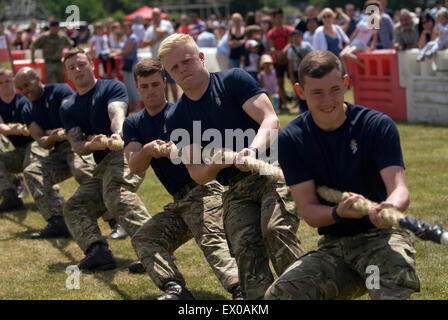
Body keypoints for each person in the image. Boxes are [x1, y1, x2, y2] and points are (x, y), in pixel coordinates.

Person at [264, 50, 421, 300]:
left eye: (335, 89)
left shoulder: (376, 126)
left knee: (389, 293)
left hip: (382, 239)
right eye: (317, 92)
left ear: (346, 83)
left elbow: (399, 188)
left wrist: (390, 207)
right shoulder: (292, 140)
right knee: (280, 295)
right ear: (300, 91)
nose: (328, 100)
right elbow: (309, 211)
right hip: (336, 248)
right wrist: (339, 213)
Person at [158, 33, 304, 300]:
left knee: (275, 230)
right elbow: (198, 174)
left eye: (187, 61)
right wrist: (216, 163)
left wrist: (252, 150)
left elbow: (270, 120)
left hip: (272, 170)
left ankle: (301, 294)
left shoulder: (234, 80)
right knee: (244, 247)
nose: (182, 70)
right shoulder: (177, 117)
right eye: (174, 68)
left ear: (201, 58)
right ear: (168, 75)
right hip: (236, 188)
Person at [124, 58, 241, 300]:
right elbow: (134, 166)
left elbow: (208, 152)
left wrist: (177, 148)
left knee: (211, 239)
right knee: (145, 238)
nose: (151, 91)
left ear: (165, 83)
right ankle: (175, 289)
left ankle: (240, 289)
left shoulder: (181, 113)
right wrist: (147, 150)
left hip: (204, 190)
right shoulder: (134, 123)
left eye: (155, 84)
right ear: (136, 87)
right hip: (180, 202)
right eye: (144, 86)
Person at [60, 48, 152, 272]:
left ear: (92, 65)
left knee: (116, 195)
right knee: (74, 206)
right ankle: (97, 251)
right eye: (72, 68)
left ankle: (155, 247)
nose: (78, 70)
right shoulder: (68, 106)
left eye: (82, 64)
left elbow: (116, 112)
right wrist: (94, 144)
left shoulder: (111, 87)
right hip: (101, 164)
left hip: (125, 153)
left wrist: (117, 134)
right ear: (67, 75)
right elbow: (79, 147)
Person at [13, 67, 80, 238]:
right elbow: (41, 141)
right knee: (32, 171)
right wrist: (52, 138)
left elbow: (72, 113)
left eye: (27, 84)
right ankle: (57, 221)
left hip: (77, 144)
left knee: (84, 171)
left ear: (38, 77)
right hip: (57, 151)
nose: (26, 90)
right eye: (21, 88)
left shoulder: (60, 90)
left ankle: (113, 220)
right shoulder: (27, 110)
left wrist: (62, 131)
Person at [0, 68, 34, 212]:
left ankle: (54, 201)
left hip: (34, 148)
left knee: (34, 169)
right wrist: (14, 129)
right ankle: (10, 196)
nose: (4, 85)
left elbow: (30, 128)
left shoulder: (24, 101)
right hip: (19, 152)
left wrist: (16, 129)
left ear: (13, 82)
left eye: (8, 81)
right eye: (0, 83)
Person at [143, 8, 178, 102]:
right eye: (153, 15)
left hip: (168, 57)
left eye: (156, 15)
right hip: (156, 59)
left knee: (172, 81)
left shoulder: (166, 24)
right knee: (162, 82)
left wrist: (156, 32)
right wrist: (156, 38)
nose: (155, 17)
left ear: (160, 15)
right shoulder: (150, 29)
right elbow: (144, 42)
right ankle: (166, 103)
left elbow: (165, 32)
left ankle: (176, 102)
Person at [339, 1, 380, 73]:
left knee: (347, 54)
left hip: (361, 43)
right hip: (355, 42)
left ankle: (365, 67)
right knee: (341, 55)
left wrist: (373, 46)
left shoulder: (375, 21)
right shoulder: (364, 19)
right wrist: (348, 44)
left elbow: (375, 36)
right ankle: (347, 74)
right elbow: (355, 33)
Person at [31, 19, 73, 84]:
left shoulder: (62, 36)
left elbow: (70, 44)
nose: (56, 29)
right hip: (49, 63)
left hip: (59, 63)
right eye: (54, 27)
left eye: (57, 27)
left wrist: (70, 57)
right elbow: (33, 46)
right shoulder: (45, 36)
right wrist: (33, 59)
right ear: (50, 27)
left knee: (62, 83)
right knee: (52, 83)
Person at [267, 8, 292, 111]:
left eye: (281, 17)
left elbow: (290, 43)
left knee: (293, 80)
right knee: (280, 83)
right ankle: (284, 104)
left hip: (289, 60)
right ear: (273, 19)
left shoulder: (289, 30)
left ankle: (300, 103)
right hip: (277, 61)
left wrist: (283, 52)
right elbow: (271, 47)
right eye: (277, 18)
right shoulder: (271, 33)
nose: (279, 20)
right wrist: (278, 53)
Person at [112, 21, 140, 112]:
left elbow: (126, 52)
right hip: (128, 64)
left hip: (132, 64)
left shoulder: (132, 38)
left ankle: (137, 107)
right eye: (123, 28)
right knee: (128, 85)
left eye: (126, 28)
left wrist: (114, 54)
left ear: (130, 28)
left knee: (133, 85)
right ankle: (132, 106)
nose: (124, 30)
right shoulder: (127, 38)